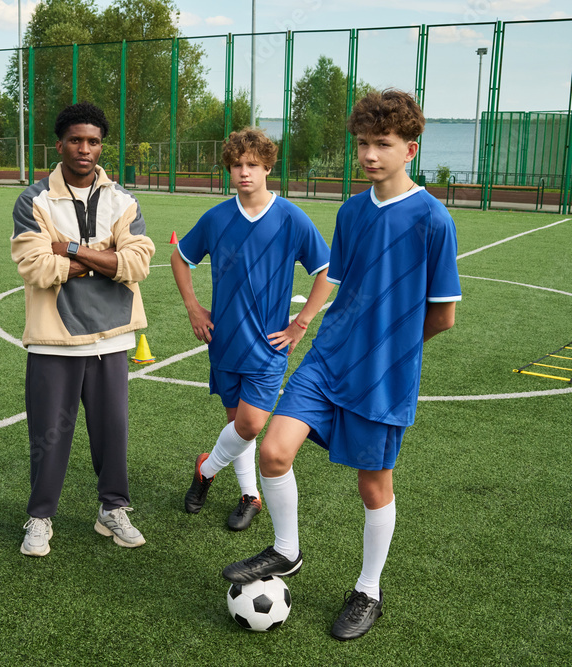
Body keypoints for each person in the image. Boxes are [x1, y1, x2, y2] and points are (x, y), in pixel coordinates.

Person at [220, 90, 461, 641]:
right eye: (363, 144)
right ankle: (286, 551)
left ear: (411, 149)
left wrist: (392, 347)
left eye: (384, 144)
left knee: (374, 487)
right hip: (328, 359)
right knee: (275, 452)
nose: (371, 154)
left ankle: (368, 590)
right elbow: (342, 286)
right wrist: (319, 330)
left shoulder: (433, 220)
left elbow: (443, 316)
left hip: (383, 374)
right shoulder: (351, 211)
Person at [11, 101, 156, 557]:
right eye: (76, 140)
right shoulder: (33, 200)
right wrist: (104, 259)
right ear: (60, 144)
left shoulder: (123, 201)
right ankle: (39, 517)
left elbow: (137, 262)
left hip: (113, 335)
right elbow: (35, 266)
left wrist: (71, 249)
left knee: (112, 431)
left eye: (93, 141)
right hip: (54, 337)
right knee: (48, 436)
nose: (85, 149)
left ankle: (112, 510)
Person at [172, 127, 332, 530]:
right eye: (237, 165)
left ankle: (206, 469)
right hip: (224, 341)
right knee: (237, 427)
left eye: (253, 166)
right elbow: (180, 258)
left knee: (250, 425)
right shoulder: (217, 217)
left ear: (267, 169)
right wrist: (193, 307)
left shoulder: (291, 218)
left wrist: (301, 324)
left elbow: (327, 271)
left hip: (269, 346)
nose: (244, 173)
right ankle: (250, 496)